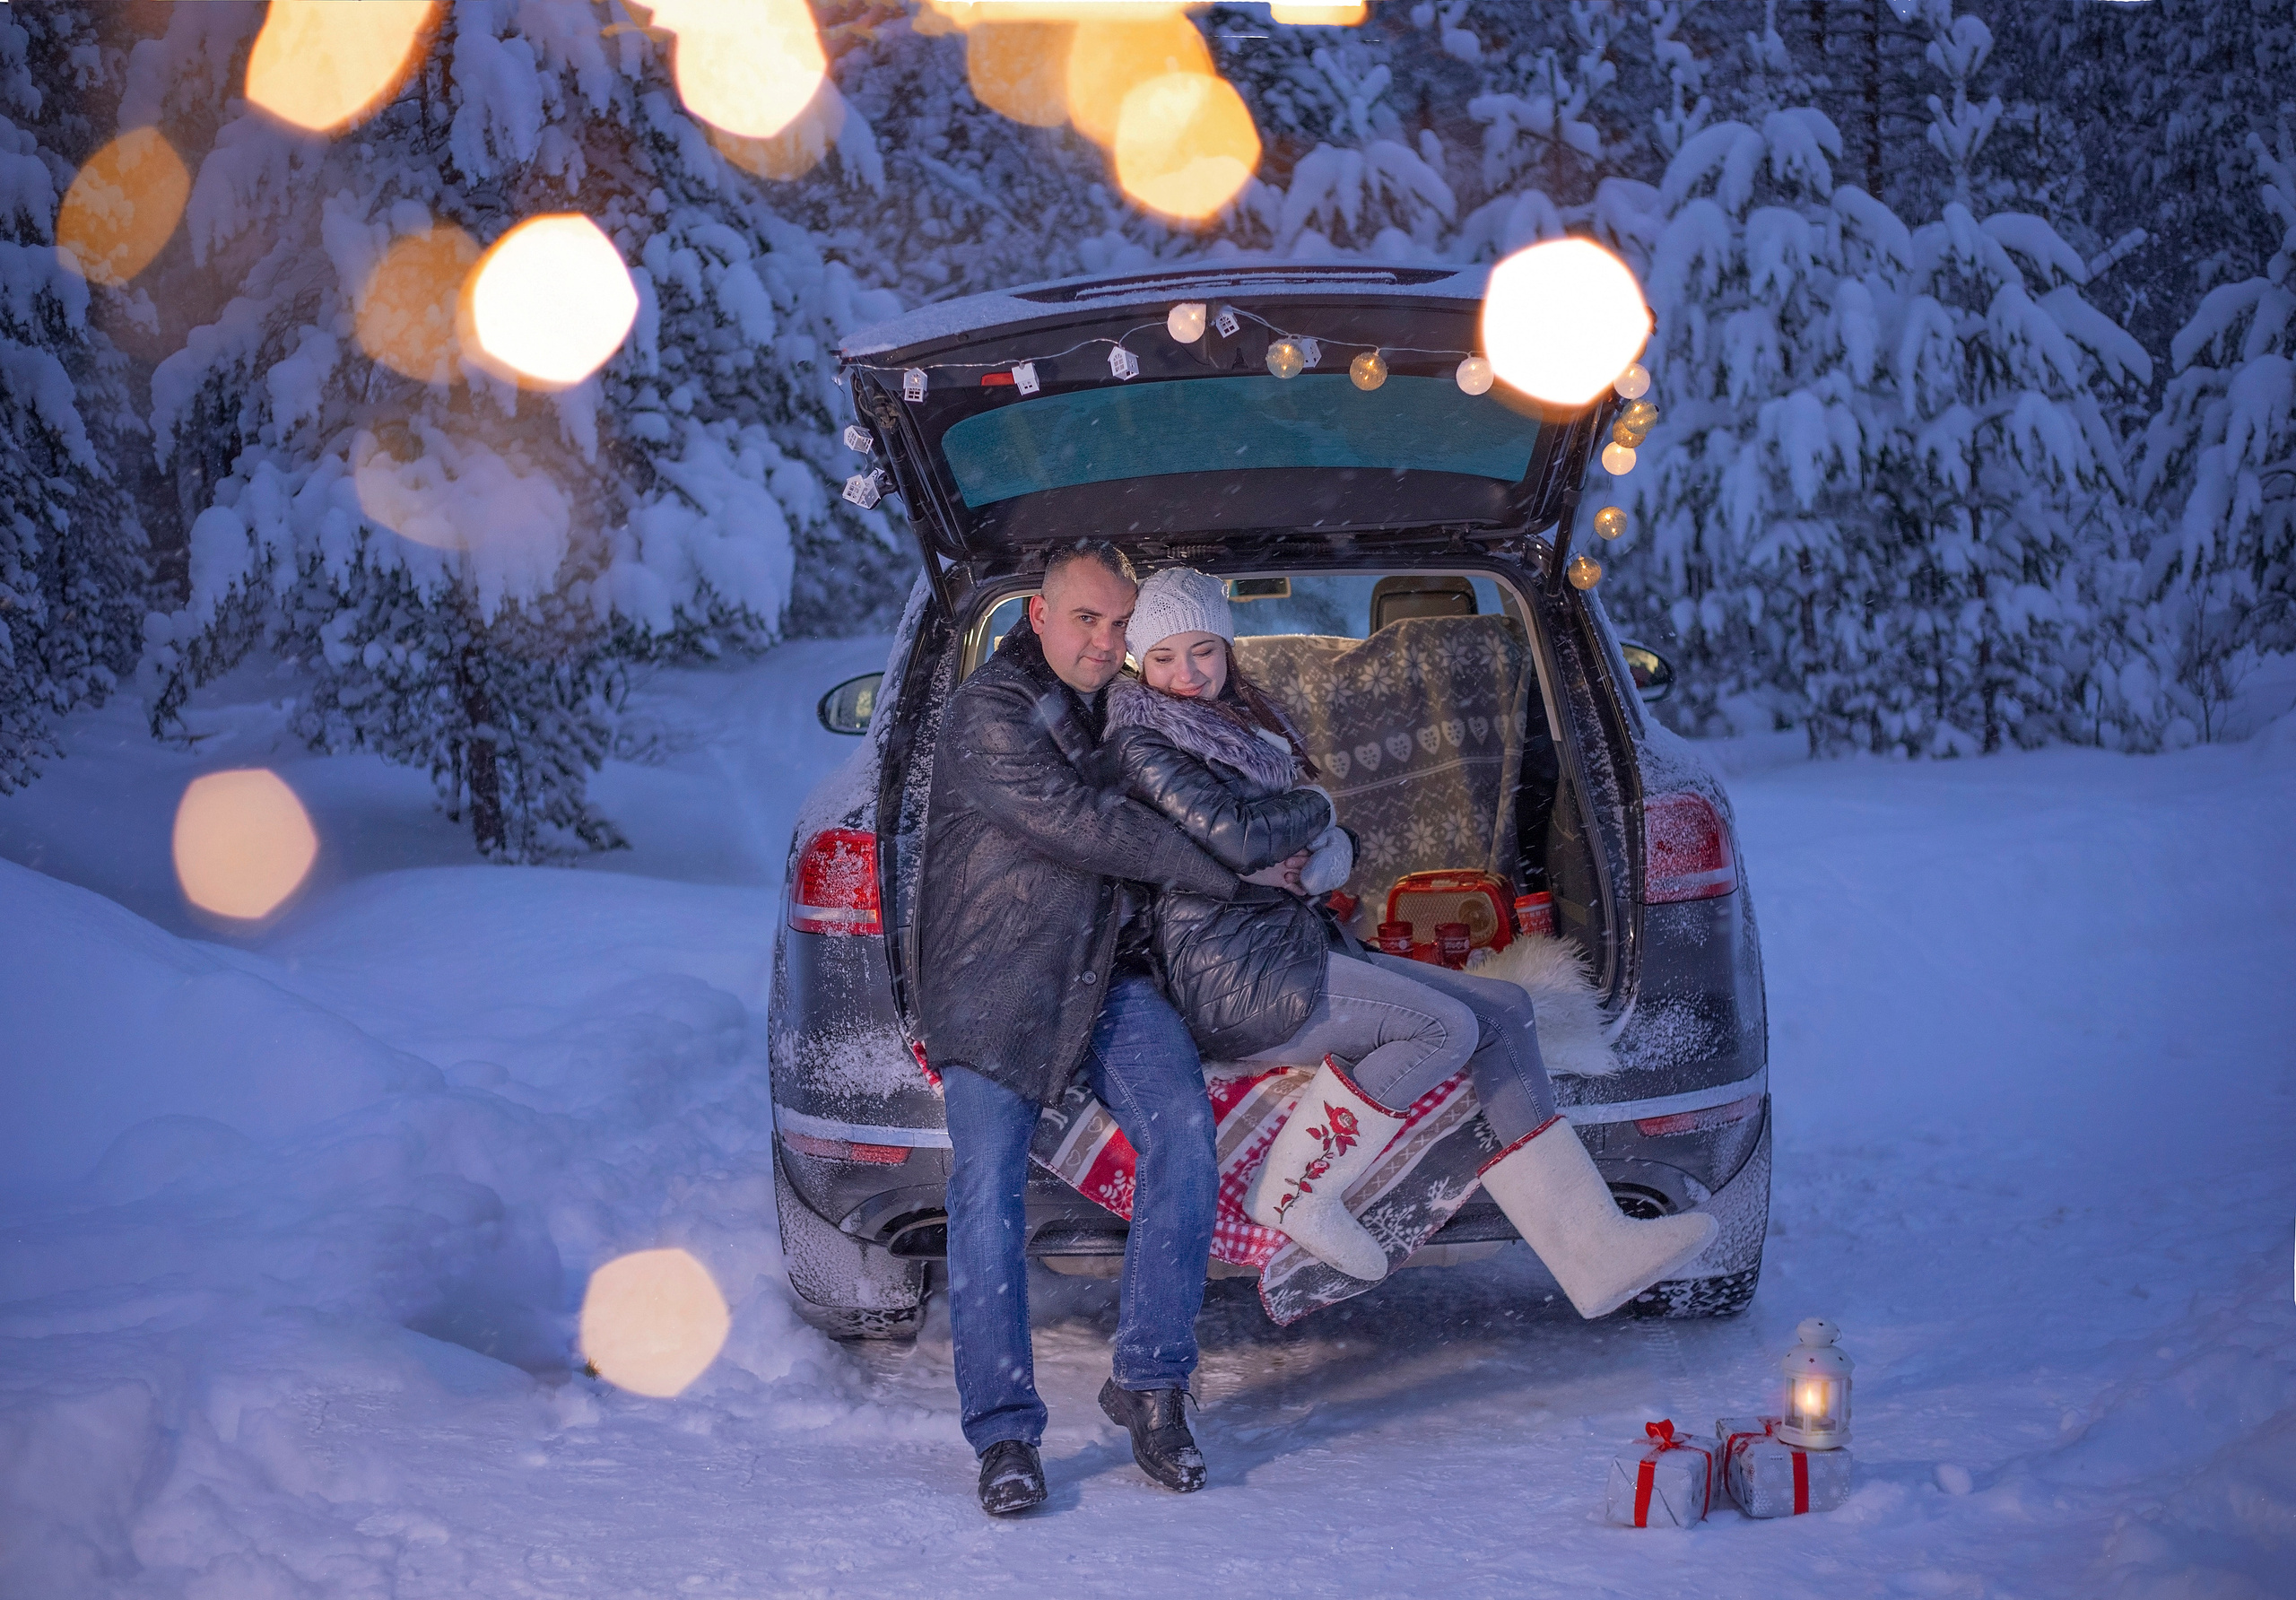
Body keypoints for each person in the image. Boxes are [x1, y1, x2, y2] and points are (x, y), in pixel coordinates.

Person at [1101, 567, 1718, 1310]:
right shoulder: (1142, 738)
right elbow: (1236, 837)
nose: (1185, 674)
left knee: (1505, 1009)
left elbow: (1296, 840)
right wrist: (1313, 808)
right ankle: (1298, 1191)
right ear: (1139, 661)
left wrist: (1329, 847)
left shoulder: (1243, 726)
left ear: (1227, 647)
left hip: (1289, 944)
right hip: (1234, 976)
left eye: (1200, 650)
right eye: (1164, 657)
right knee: (1443, 1028)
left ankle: (1593, 1249)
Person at [916, 543, 1330, 1517]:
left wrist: (1301, 825)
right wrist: (1235, 872)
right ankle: (1005, 1433)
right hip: (998, 976)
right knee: (985, 1192)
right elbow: (1085, 823)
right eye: (1086, 620)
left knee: (1183, 1133)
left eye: (1118, 624)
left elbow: (1222, 794)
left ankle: (1150, 1383)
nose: (1104, 642)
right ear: (1039, 618)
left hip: (1109, 968)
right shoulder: (993, 711)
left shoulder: (1134, 705)